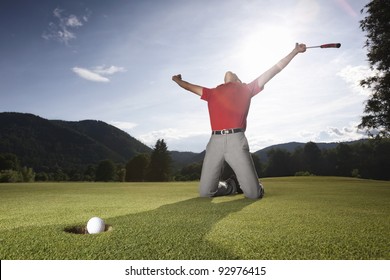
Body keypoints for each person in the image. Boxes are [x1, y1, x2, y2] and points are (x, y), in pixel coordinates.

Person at [172, 43, 307, 199]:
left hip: (236, 140)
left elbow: (274, 70)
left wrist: (295, 51)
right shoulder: (212, 93)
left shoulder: (247, 89)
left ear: (239, 81)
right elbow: (188, 86)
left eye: (234, 74)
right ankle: (231, 186)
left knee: (253, 195)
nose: (229, 73)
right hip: (215, 141)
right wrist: (177, 80)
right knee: (205, 193)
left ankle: (255, 187)